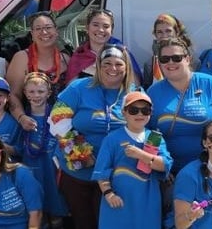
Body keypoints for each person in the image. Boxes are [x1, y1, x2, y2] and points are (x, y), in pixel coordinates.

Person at [49, 45, 142, 229]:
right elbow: (57, 120)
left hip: (115, 175)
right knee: (84, 223)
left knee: (110, 223)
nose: (112, 68)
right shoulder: (79, 87)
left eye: (118, 64)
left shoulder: (134, 93)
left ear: (126, 67)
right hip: (79, 173)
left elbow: (143, 126)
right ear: (98, 65)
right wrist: (79, 154)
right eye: (107, 63)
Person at [147, 37, 212, 174]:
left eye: (176, 58)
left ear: (188, 59)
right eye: (165, 59)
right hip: (170, 171)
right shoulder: (153, 92)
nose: (170, 62)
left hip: (209, 168)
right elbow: (149, 133)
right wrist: (159, 168)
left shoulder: (208, 83)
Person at [92, 91, 173, 229]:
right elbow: (101, 171)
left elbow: (165, 165)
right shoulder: (112, 139)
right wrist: (108, 194)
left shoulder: (155, 137)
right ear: (124, 112)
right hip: (119, 200)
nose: (140, 114)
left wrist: (141, 155)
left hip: (147, 201)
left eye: (145, 110)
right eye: (133, 110)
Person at [17, 72, 70, 226]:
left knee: (56, 211)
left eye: (41, 91)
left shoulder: (57, 114)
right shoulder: (22, 118)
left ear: (49, 93)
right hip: (31, 170)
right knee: (37, 211)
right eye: (31, 91)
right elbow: (18, 147)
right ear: (25, 93)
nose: (36, 95)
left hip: (53, 170)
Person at [8, 12, 70, 132]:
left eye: (48, 28)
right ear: (32, 34)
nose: (44, 32)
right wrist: (21, 118)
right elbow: (12, 95)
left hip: (62, 127)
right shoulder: (22, 58)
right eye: (38, 29)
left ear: (56, 31)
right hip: (30, 125)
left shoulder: (66, 59)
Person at [65, 9, 144, 86]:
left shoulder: (122, 53)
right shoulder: (79, 56)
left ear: (111, 31)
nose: (101, 30)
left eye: (106, 26)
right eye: (95, 25)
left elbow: (135, 85)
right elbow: (70, 89)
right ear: (87, 28)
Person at [143, 13, 197, 86]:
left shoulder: (193, 62)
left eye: (168, 31)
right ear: (155, 35)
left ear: (177, 32)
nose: (164, 35)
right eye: (159, 32)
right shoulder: (149, 65)